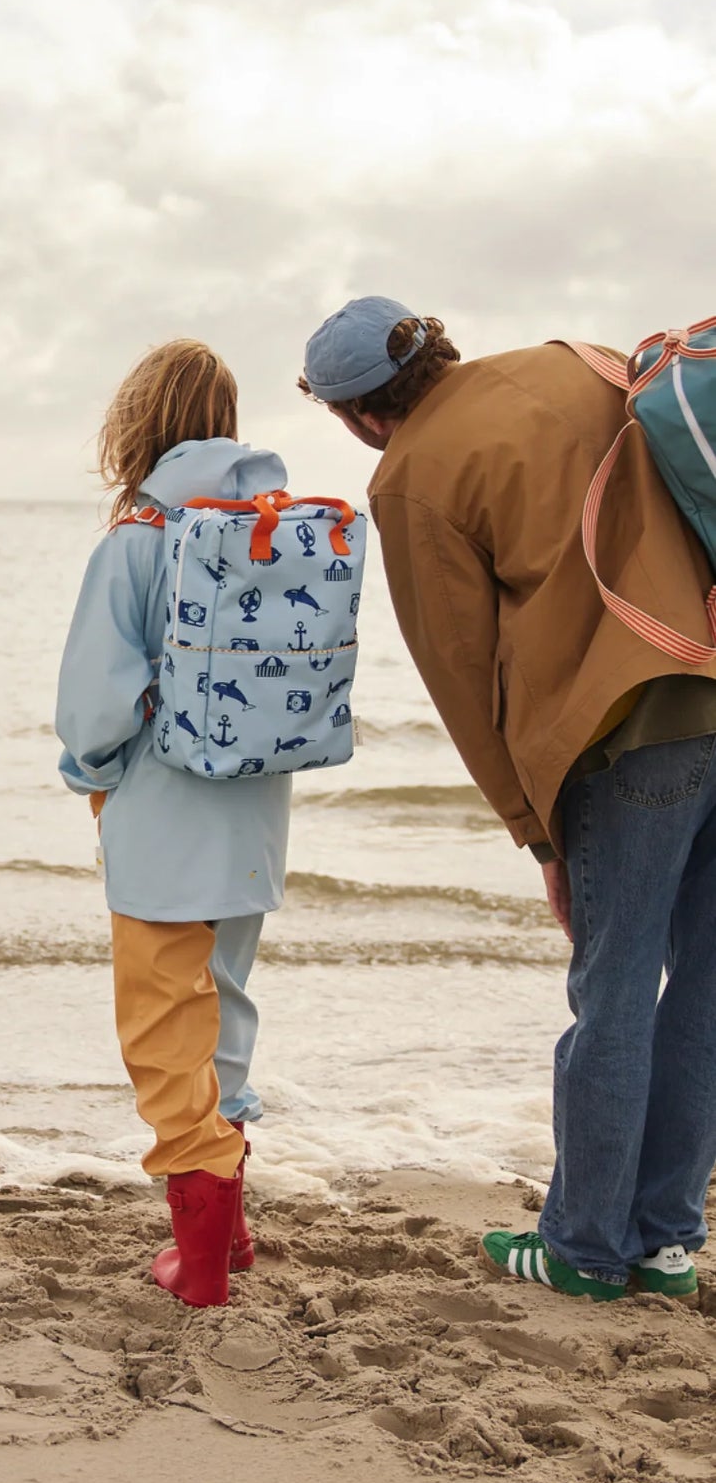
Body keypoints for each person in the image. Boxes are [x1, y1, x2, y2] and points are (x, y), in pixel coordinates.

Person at [302, 295, 716, 1302]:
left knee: (610, 993)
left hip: (620, 734)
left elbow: (461, 677)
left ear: (357, 413)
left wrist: (535, 838)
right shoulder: (576, 361)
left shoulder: (410, 476)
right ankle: (666, 1244)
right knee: (703, 985)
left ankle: (580, 1248)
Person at [56, 340, 292, 1307]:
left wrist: (92, 776)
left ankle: (199, 1273)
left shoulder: (139, 538)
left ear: (138, 421)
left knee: (162, 1031)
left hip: (161, 822)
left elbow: (94, 705)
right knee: (223, 1008)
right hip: (254, 819)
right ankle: (228, 1239)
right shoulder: (272, 529)